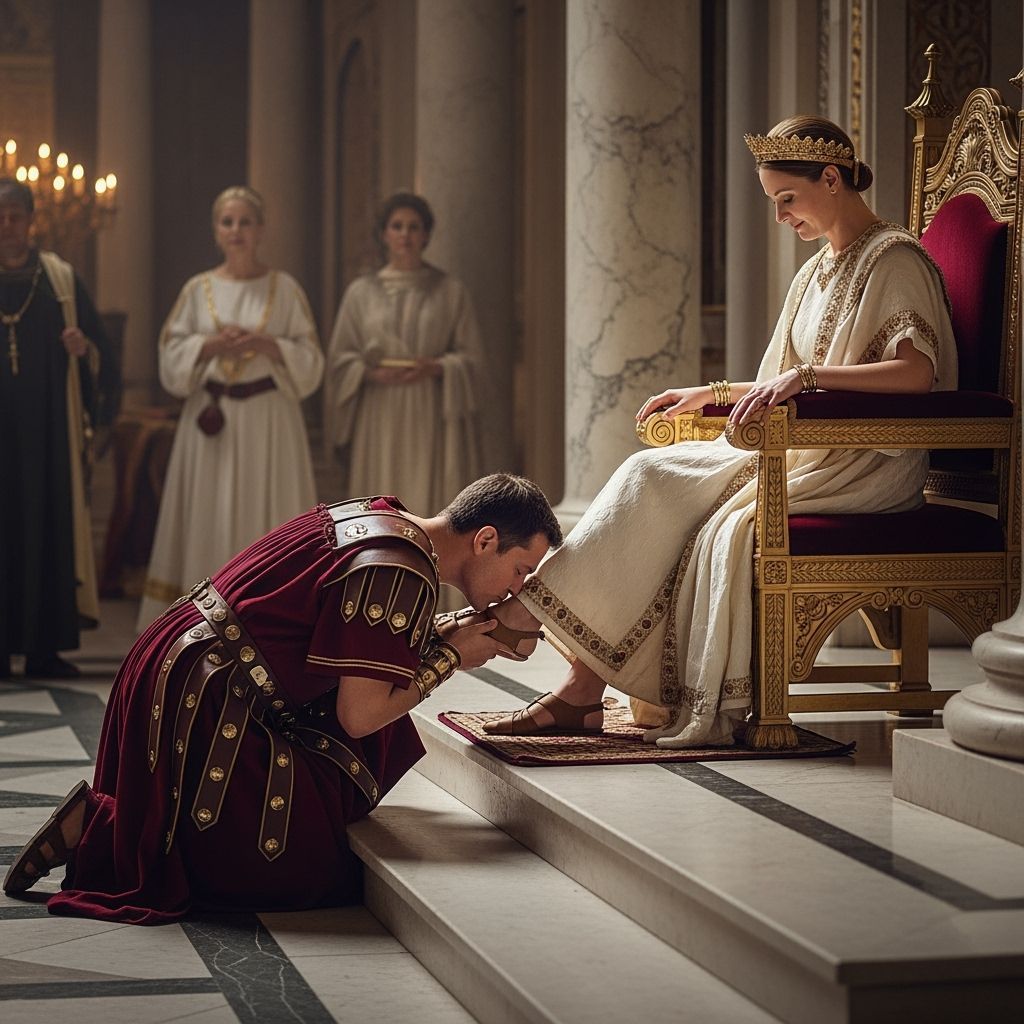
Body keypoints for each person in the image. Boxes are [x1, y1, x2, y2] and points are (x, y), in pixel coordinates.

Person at [476, 116, 957, 748]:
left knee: (691, 506)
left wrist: (809, 379)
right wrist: (717, 393)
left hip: (863, 461)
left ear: (832, 178)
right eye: (773, 202)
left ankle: (538, 632)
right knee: (656, 480)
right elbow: (777, 383)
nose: (782, 215)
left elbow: (916, 374)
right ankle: (580, 689)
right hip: (801, 445)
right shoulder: (817, 271)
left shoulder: (895, 258)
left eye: (788, 199)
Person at [2, 473, 562, 923]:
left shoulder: (383, 518)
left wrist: (457, 629)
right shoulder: (402, 569)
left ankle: (116, 822)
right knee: (303, 873)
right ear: (484, 539)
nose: (517, 587)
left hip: (176, 664)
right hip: (211, 700)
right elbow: (361, 715)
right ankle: (103, 828)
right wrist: (451, 659)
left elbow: (355, 642)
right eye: (520, 570)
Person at [137, 186, 324, 629]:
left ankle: (272, 615)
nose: (236, 230)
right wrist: (209, 345)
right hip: (210, 422)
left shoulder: (285, 289)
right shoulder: (197, 289)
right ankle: (198, 616)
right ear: (216, 231)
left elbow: (311, 359)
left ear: (260, 230)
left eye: (245, 222)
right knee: (208, 513)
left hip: (268, 418)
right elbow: (171, 355)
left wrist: (266, 344)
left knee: (268, 514)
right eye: (227, 222)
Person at [0, 178, 117, 680]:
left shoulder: (59, 279)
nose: (7, 226)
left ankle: (45, 649)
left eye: (15, 215)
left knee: (46, 526)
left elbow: (102, 354)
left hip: (49, 437)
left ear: (31, 220)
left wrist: (81, 351)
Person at [324, 191, 483, 517]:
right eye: (397, 226)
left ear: (426, 234)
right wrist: (368, 373)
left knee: (423, 495)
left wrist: (438, 367)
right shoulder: (360, 293)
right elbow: (339, 360)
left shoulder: (450, 291)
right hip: (378, 412)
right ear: (384, 234)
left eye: (414, 227)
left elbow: (473, 359)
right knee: (380, 492)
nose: (405, 235)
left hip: (428, 410)